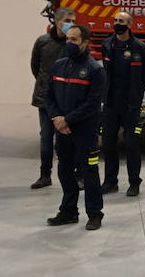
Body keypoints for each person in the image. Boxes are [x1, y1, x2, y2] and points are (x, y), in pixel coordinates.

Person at [44, 24, 107, 230]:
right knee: (64, 171)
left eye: (74, 40)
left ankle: (95, 214)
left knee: (89, 172)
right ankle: (69, 211)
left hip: (84, 131)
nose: (69, 43)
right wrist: (56, 118)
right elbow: (49, 95)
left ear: (85, 43)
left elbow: (92, 105)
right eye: (68, 39)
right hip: (62, 129)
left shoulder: (95, 69)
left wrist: (67, 120)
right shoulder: (59, 66)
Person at [100, 9, 145, 197]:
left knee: (131, 144)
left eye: (122, 20)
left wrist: (136, 93)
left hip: (131, 104)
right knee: (108, 143)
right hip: (110, 103)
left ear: (130, 24)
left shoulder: (140, 47)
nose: (117, 23)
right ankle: (110, 181)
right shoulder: (107, 44)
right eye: (115, 20)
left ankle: (134, 182)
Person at [30, 6, 74, 189]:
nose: (70, 24)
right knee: (46, 138)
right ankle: (44, 175)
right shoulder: (42, 42)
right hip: (45, 99)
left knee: (69, 139)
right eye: (67, 21)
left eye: (73, 21)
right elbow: (35, 67)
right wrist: (45, 86)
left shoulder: (74, 43)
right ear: (56, 22)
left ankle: (73, 175)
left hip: (68, 100)